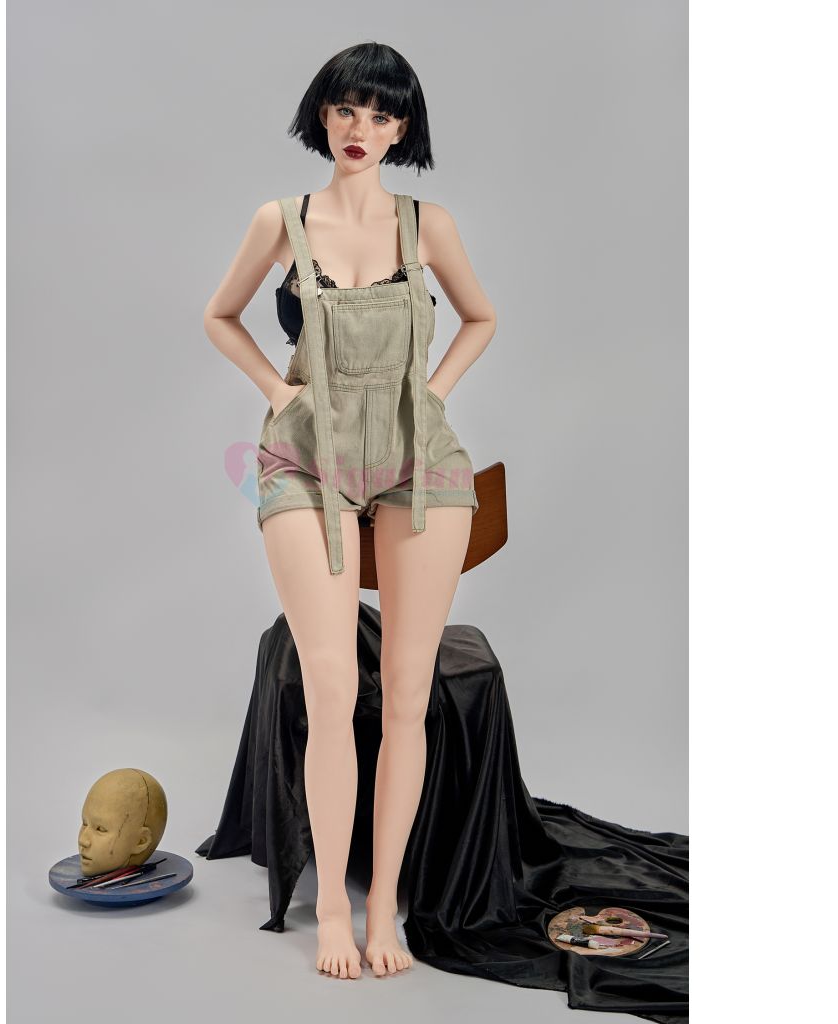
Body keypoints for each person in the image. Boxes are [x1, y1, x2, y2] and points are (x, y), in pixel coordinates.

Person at [203, 41, 496, 981]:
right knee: (332, 690)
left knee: (406, 695)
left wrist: (433, 393)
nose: (360, 129)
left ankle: (385, 909)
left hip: (419, 464)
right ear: (322, 116)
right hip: (303, 458)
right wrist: (274, 390)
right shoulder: (281, 221)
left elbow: (482, 317)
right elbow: (218, 315)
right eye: (345, 109)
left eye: (381, 114)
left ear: (403, 129)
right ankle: (331, 900)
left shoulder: (428, 225)